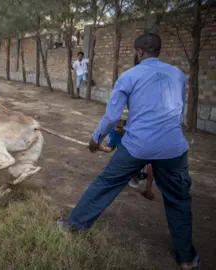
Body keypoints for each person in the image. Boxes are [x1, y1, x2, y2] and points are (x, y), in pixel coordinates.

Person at [59, 33, 200, 270]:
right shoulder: (177, 75)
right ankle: (186, 258)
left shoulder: (129, 76)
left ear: (138, 52)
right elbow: (178, 112)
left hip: (138, 146)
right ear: (158, 50)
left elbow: (113, 116)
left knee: (105, 184)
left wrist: (95, 139)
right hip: (174, 148)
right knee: (179, 199)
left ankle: (73, 227)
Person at [98, 110, 155, 201]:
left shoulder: (138, 133)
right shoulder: (114, 133)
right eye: (117, 126)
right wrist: (99, 147)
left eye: (122, 126)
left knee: (150, 165)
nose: (118, 129)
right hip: (127, 159)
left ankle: (147, 189)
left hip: (140, 157)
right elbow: (110, 148)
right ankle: (132, 175)